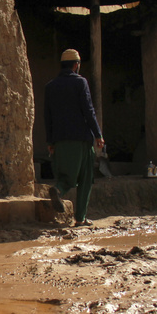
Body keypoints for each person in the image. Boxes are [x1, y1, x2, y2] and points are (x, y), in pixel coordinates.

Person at [44, 49, 105, 227]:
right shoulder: (80, 82)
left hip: (59, 139)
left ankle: (59, 189)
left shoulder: (50, 86)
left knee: (66, 176)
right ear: (76, 65)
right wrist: (98, 134)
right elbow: (89, 110)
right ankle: (80, 218)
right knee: (86, 177)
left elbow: (47, 116)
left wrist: (50, 141)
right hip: (81, 138)